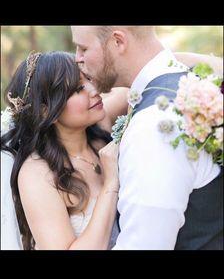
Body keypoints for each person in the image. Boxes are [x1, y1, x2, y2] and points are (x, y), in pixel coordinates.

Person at [71, 26, 223, 250]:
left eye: (83, 48)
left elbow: (144, 244)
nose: (77, 58)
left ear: (118, 41)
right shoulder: (188, 84)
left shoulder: (154, 124)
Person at [1, 51, 129, 250]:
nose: (94, 90)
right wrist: (110, 185)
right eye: (78, 89)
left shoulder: (98, 128)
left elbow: (139, 77)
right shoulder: (38, 174)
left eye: (88, 78)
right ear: (46, 112)